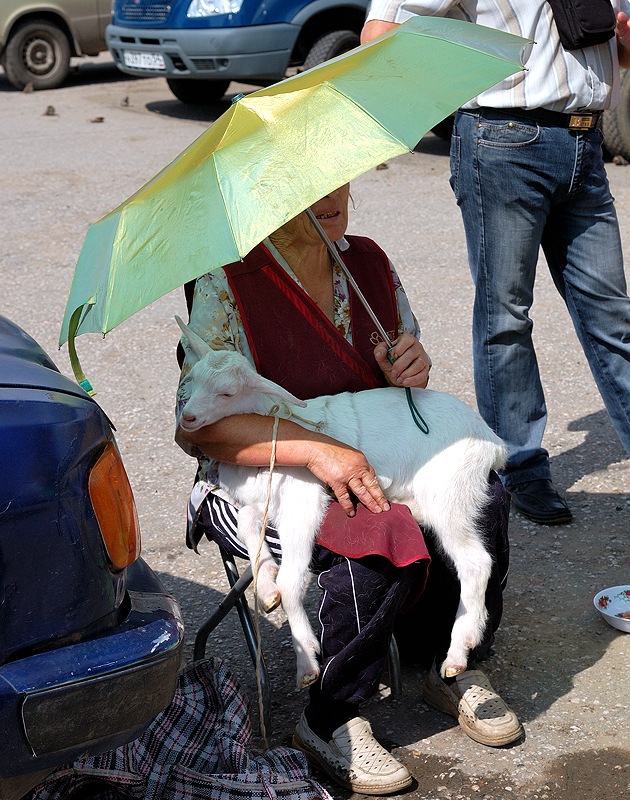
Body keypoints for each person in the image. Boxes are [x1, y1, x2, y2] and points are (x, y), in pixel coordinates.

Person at [175, 184, 522, 796]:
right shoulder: (227, 284)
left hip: (365, 448)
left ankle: (445, 658)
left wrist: (408, 366)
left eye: (337, 179)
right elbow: (200, 429)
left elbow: (405, 382)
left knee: (481, 495)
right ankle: (331, 715)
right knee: (376, 538)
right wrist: (314, 449)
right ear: (265, 198)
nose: (332, 197)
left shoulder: (367, 262)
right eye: (305, 187)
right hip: (264, 476)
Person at [363, 2, 630, 525]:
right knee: (505, 316)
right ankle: (521, 468)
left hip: (586, 140)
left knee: (613, 315)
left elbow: (616, 54)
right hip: (505, 138)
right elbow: (383, 29)